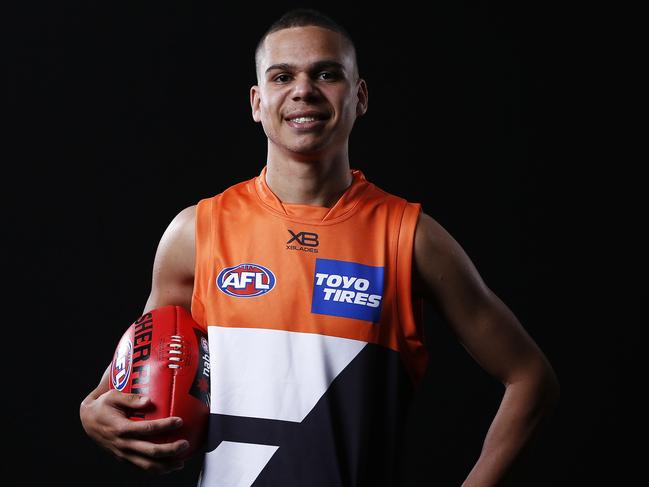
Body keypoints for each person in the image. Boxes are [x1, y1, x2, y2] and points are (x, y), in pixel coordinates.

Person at [80, 8, 559, 486]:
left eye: (326, 74)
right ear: (257, 101)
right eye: (282, 76)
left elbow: (530, 377)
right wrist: (91, 414)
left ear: (360, 96)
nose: (303, 90)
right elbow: (128, 380)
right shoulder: (195, 232)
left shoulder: (411, 238)